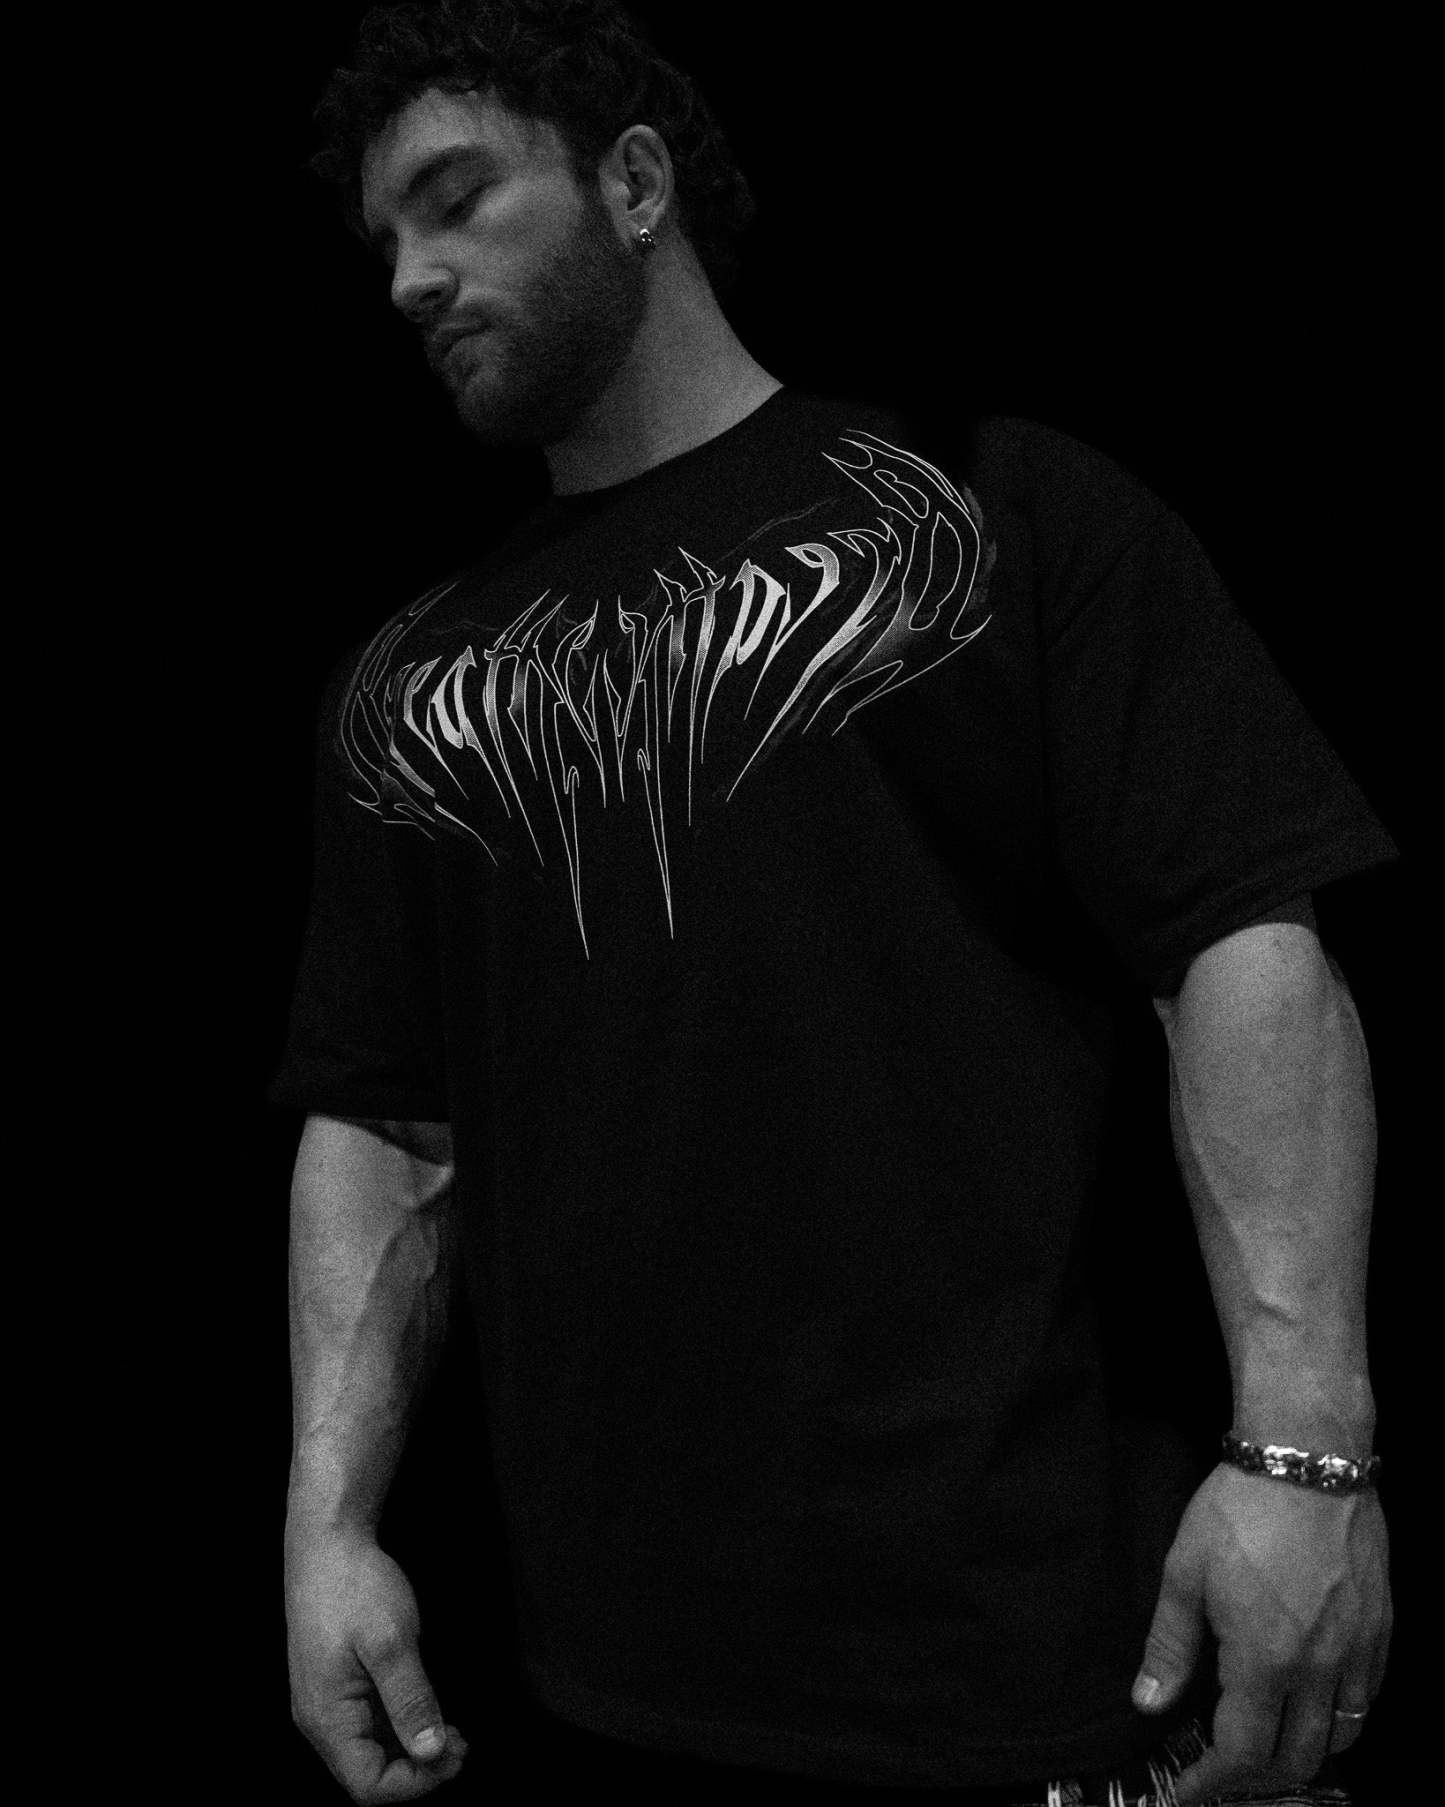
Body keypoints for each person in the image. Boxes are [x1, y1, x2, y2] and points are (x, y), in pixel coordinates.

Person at [272, 4, 1397, 1804]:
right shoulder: (412, 684)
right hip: (594, 1687)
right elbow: (387, 1121)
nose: (409, 278)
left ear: (636, 183)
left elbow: (1241, 943)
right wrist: (325, 1524)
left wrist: (1302, 1456)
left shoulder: (995, 503)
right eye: (383, 240)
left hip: (1049, 1653)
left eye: (458, 198)